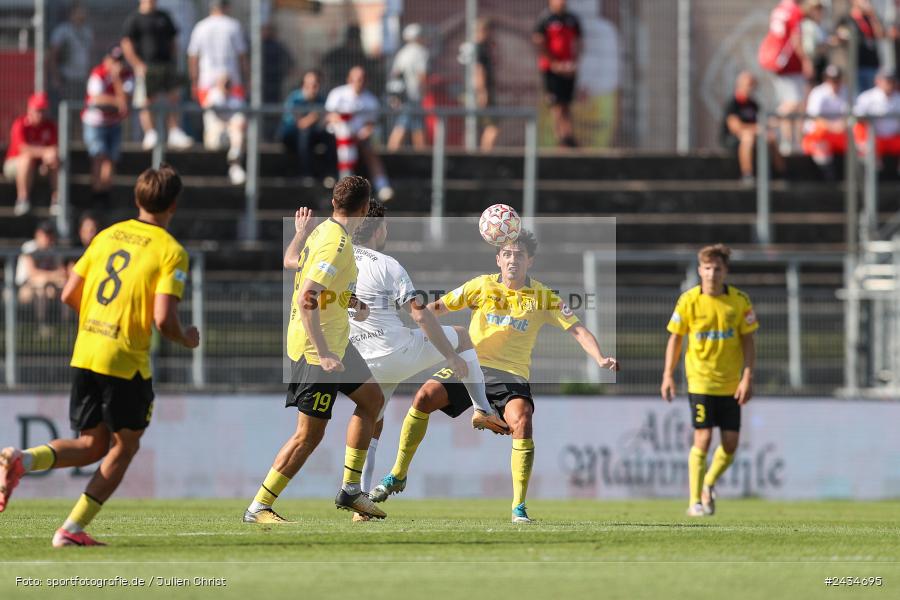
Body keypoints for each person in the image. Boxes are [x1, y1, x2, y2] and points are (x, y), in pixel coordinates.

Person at [0, 164, 201, 546]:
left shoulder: (107, 236)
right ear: (174, 204)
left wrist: (99, 322)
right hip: (124, 359)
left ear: (137, 199)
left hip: (86, 351)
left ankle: (23, 459)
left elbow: (67, 294)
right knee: (125, 445)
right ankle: (71, 530)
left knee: (93, 445)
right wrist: (187, 339)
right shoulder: (171, 251)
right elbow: (163, 319)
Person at [369, 231, 619, 523]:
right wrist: (411, 320)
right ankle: (398, 474)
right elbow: (438, 308)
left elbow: (576, 329)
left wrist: (599, 357)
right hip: (471, 364)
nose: (513, 260)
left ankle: (518, 507)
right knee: (424, 397)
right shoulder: (480, 286)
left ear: (530, 261)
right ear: (498, 259)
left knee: (522, 420)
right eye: (508, 254)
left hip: (510, 375)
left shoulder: (543, 297)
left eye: (520, 255)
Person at [343, 201, 508, 517]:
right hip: (396, 350)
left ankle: (360, 503)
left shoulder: (341, 261)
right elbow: (418, 314)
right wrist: (450, 356)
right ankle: (482, 409)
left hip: (365, 360)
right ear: (378, 230)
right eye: (386, 226)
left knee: (372, 423)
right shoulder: (387, 264)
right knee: (460, 334)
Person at [243, 176, 387, 524]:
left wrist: (348, 299)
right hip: (317, 349)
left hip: (336, 341)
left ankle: (351, 489)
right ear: (365, 210)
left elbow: (293, 261)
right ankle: (259, 506)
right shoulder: (335, 243)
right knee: (308, 435)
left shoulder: (323, 232)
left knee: (372, 400)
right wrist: (323, 353)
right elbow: (307, 297)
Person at [661, 244, 758, 518]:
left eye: (717, 268)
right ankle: (695, 502)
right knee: (702, 438)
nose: (712, 273)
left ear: (725, 271)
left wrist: (747, 376)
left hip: (730, 383)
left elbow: (748, 341)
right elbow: (675, 338)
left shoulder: (739, 301)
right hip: (700, 381)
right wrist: (668, 374)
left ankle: (708, 482)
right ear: (699, 270)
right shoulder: (688, 300)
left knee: (730, 444)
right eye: (707, 268)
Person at [188, 0, 249, 184]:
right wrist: (247, 79)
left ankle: (233, 163)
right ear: (227, 7)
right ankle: (231, 163)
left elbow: (193, 57)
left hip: (207, 83)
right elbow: (242, 56)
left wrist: (194, 81)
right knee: (224, 130)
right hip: (232, 82)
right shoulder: (234, 26)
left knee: (234, 125)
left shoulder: (200, 26)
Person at [121, 0, 193, 150]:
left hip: (166, 66)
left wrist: (172, 61)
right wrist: (138, 65)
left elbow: (173, 40)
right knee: (146, 101)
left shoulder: (164, 17)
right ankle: (150, 133)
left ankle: (174, 132)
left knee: (173, 98)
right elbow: (126, 44)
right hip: (146, 68)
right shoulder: (134, 19)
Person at [325, 66, 394, 202]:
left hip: (360, 139)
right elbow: (330, 116)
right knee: (344, 140)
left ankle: (382, 185)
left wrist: (363, 134)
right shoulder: (337, 94)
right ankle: (344, 183)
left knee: (370, 151)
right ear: (349, 80)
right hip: (336, 137)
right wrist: (345, 128)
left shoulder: (371, 100)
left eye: (362, 79)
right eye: (356, 79)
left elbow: (370, 124)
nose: (359, 82)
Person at [82, 46, 134, 204]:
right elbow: (96, 99)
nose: (116, 64)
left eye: (119, 61)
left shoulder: (127, 76)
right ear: (106, 59)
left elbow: (126, 99)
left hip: (114, 123)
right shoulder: (98, 73)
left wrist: (117, 79)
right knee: (99, 156)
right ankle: (96, 191)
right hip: (95, 123)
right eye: (113, 60)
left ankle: (104, 193)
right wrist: (118, 102)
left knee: (111, 159)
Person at [758, 0, 812, 155]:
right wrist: (805, 61)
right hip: (789, 64)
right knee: (793, 103)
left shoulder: (779, 9)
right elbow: (796, 40)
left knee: (790, 103)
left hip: (779, 63)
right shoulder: (794, 11)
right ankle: (768, 123)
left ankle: (788, 142)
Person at [533, 0, 582, 148]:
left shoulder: (572, 19)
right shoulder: (545, 19)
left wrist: (574, 63)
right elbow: (538, 42)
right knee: (556, 105)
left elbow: (579, 42)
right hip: (552, 70)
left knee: (566, 104)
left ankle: (569, 136)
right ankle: (561, 138)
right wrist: (554, 64)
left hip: (568, 69)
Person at [721, 71, 783, 185]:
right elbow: (735, 127)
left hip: (755, 136)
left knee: (771, 138)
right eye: (749, 84)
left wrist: (768, 125)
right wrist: (757, 129)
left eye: (753, 85)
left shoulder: (754, 104)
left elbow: (762, 122)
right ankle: (747, 174)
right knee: (747, 138)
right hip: (733, 139)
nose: (751, 88)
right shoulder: (733, 103)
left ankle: (780, 173)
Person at [3, 92, 59, 217]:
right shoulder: (20, 124)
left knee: (55, 160)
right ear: (30, 109)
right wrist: (45, 152)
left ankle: (57, 200)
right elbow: (23, 149)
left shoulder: (50, 126)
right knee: (26, 159)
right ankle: (22, 199)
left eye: (43, 110)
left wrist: (47, 159)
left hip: (40, 167)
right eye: (38, 110)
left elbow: (54, 150)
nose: (40, 114)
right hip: (14, 166)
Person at [15, 221, 68, 336]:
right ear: (38, 234)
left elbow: (62, 272)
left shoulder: (53, 249)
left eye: (50, 235)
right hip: (24, 289)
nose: (47, 238)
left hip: (48, 286)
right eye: (45, 234)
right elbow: (32, 273)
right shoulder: (29, 247)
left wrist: (52, 277)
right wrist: (52, 276)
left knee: (64, 285)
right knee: (41, 285)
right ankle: (41, 326)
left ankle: (66, 326)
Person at [279, 70, 330, 182]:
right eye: (309, 85)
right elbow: (301, 124)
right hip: (291, 135)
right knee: (305, 134)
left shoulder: (321, 100)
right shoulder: (295, 99)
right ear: (303, 85)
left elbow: (325, 120)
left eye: (316, 84)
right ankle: (306, 174)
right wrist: (314, 117)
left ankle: (331, 173)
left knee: (329, 136)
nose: (313, 88)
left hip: (312, 134)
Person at [387, 23, 429, 151]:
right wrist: (423, 93)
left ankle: (394, 150)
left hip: (402, 95)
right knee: (406, 125)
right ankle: (392, 152)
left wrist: (394, 95)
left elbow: (395, 74)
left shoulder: (402, 52)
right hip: (414, 95)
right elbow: (422, 75)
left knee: (415, 125)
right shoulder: (421, 52)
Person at [200, 73, 247, 185]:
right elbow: (211, 117)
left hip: (232, 137)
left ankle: (234, 164)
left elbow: (242, 121)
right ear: (218, 84)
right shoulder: (212, 96)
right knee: (234, 130)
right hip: (214, 138)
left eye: (228, 83)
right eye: (224, 83)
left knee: (238, 128)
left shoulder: (237, 100)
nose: (226, 86)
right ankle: (234, 160)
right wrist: (229, 125)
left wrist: (231, 125)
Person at [802, 65, 848, 178]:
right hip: (819, 135)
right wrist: (832, 126)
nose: (834, 82)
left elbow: (852, 114)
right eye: (831, 79)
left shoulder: (846, 91)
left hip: (840, 134)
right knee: (821, 150)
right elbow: (814, 117)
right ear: (826, 79)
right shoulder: (818, 92)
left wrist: (841, 125)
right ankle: (829, 184)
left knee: (860, 143)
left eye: (837, 79)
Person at [48, 2, 94, 106]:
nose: (82, 15)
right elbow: (53, 55)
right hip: (67, 78)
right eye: (79, 12)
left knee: (81, 107)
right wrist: (56, 78)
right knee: (66, 107)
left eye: (83, 12)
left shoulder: (87, 31)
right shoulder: (62, 31)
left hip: (81, 77)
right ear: (71, 14)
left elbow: (89, 54)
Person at [837, 0, 884, 94]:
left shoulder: (869, 18)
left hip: (872, 64)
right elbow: (840, 35)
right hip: (856, 64)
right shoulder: (846, 18)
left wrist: (872, 16)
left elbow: (880, 35)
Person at [853, 68, 900, 159]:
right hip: (874, 138)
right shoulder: (867, 97)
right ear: (878, 81)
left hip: (894, 138)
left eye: (892, 81)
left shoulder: (898, 97)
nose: (889, 84)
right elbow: (857, 118)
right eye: (887, 81)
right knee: (861, 131)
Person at [262, 23, 295, 141]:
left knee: (274, 111)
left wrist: (282, 75)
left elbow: (291, 64)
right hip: (262, 85)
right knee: (262, 111)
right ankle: (264, 136)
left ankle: (271, 136)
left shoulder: (278, 46)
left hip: (275, 84)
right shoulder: (258, 46)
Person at [474, 17, 500, 152]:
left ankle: (485, 152)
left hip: (482, 90)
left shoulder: (481, 47)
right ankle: (486, 153)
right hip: (483, 91)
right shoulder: (479, 48)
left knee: (486, 125)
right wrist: (483, 92)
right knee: (493, 126)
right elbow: (479, 70)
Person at [800, 0, 830, 86]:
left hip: (821, 63)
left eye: (820, 9)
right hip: (813, 62)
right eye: (816, 9)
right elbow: (809, 49)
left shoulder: (820, 26)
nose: (819, 12)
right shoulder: (808, 25)